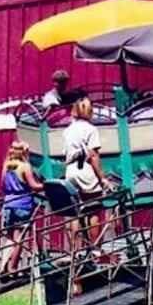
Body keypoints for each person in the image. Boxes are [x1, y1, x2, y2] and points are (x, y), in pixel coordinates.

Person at [63, 96, 112, 252]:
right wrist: (102, 178)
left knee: (75, 212)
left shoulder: (68, 130)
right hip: (85, 169)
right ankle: (95, 248)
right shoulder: (91, 129)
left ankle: (77, 250)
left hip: (71, 170)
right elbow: (93, 155)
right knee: (93, 209)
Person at [0, 141, 44, 274]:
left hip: (8, 203)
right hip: (22, 204)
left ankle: (2, 265)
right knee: (19, 237)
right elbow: (33, 186)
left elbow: (2, 186)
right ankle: (12, 268)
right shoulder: (25, 166)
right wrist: (45, 185)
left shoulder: (6, 166)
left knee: (9, 237)